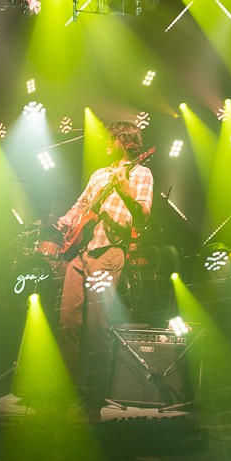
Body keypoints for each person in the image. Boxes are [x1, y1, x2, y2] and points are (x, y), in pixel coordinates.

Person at [51, 121, 153, 421]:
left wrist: (124, 190)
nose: (107, 143)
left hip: (108, 253)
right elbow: (80, 204)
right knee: (68, 324)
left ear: (127, 142)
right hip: (80, 253)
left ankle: (92, 401)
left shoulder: (141, 173)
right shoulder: (99, 174)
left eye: (112, 139)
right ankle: (63, 396)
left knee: (98, 328)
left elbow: (143, 217)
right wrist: (68, 218)